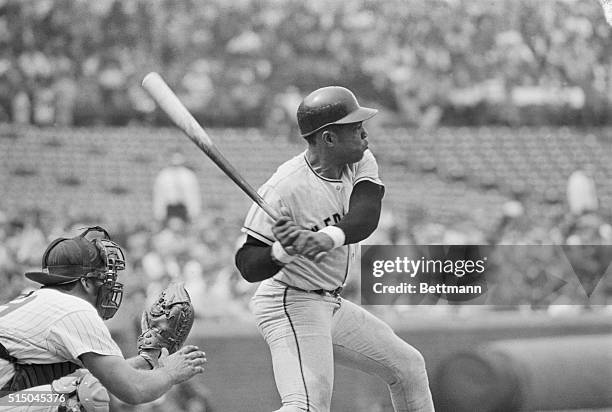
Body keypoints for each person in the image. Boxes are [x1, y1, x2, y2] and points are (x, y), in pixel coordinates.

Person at [235, 87, 434, 412]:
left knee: (409, 367)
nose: (365, 134)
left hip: (330, 302)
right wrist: (283, 252)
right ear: (328, 138)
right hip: (290, 301)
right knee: (307, 406)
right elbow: (247, 263)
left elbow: (366, 213)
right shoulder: (283, 188)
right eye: (355, 128)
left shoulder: (359, 160)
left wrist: (326, 237)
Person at [0, 226, 207, 410]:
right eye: (103, 278)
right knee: (85, 394)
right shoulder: (74, 308)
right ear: (86, 283)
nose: (109, 285)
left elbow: (108, 375)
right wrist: (170, 373)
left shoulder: (41, 302)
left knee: (85, 380)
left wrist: (148, 361)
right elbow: (134, 390)